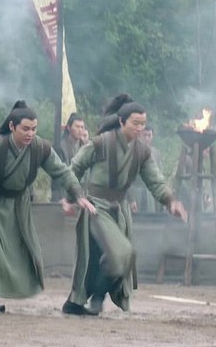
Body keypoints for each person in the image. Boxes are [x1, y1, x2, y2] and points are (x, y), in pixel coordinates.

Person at [0, 101, 95, 313]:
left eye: (34, 129)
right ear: (12, 127)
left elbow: (62, 172)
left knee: (7, 254)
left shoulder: (40, 148)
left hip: (17, 206)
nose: (30, 133)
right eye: (25, 129)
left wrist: (77, 195)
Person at [61, 94, 186, 316]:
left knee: (110, 257)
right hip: (96, 208)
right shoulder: (100, 143)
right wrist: (73, 198)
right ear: (121, 121)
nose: (140, 128)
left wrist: (170, 200)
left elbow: (155, 181)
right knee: (121, 254)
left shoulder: (142, 151)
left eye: (143, 124)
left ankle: (78, 302)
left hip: (120, 209)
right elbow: (74, 168)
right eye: (135, 123)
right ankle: (95, 300)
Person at [128, 124, 165, 213]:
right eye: (144, 135)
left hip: (151, 195)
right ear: (139, 135)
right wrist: (131, 199)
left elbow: (159, 177)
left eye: (149, 135)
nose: (147, 138)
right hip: (136, 194)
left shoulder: (156, 154)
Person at [52, 113, 86, 201]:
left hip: (82, 189)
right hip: (64, 189)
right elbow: (59, 173)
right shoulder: (60, 147)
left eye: (82, 127)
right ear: (69, 127)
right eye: (77, 127)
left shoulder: (85, 147)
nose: (80, 130)